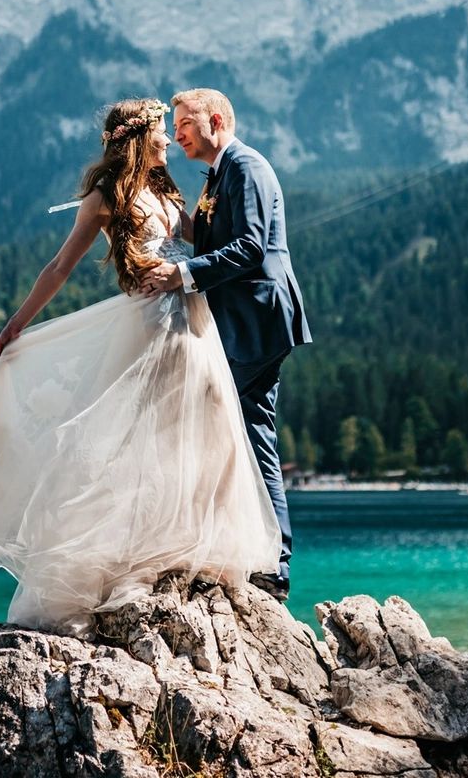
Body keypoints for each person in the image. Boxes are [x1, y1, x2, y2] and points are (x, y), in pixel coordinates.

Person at [0, 98, 281, 635]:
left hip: (192, 319)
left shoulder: (166, 186)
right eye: (163, 132)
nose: (171, 140)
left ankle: (195, 549)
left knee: (208, 427)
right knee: (136, 441)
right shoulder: (104, 197)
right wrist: (18, 322)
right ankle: (122, 560)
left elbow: (204, 241)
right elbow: (59, 266)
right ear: (139, 137)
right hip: (147, 321)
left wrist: (261, 249)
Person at [139, 88, 311, 601]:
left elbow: (252, 247)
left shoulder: (246, 167)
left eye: (185, 123)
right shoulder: (219, 173)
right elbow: (215, 238)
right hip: (246, 320)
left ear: (216, 119)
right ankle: (264, 561)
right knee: (249, 433)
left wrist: (180, 274)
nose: (176, 134)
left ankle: (258, 558)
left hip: (257, 318)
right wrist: (164, 209)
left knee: (210, 421)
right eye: (173, 127)